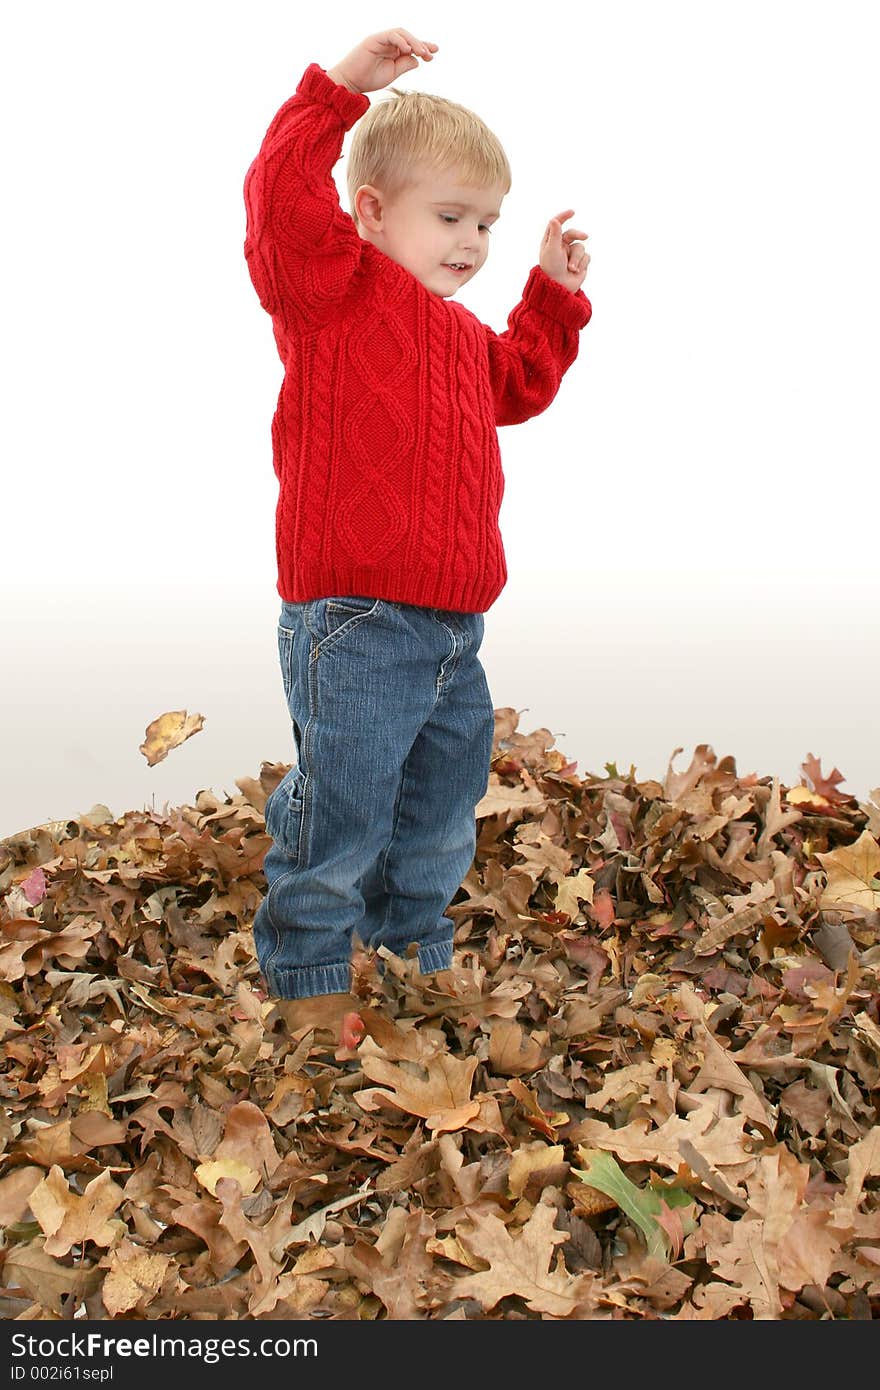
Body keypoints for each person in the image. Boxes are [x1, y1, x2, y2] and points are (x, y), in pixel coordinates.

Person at [242, 27, 592, 1039]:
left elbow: (520, 384)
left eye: (484, 222)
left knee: (438, 807)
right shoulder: (333, 294)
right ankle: (309, 968)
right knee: (344, 806)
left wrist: (552, 294)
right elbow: (277, 204)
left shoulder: (461, 335)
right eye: (449, 217)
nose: (471, 242)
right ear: (368, 212)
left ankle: (412, 947)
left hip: (451, 631)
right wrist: (339, 92)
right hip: (354, 617)